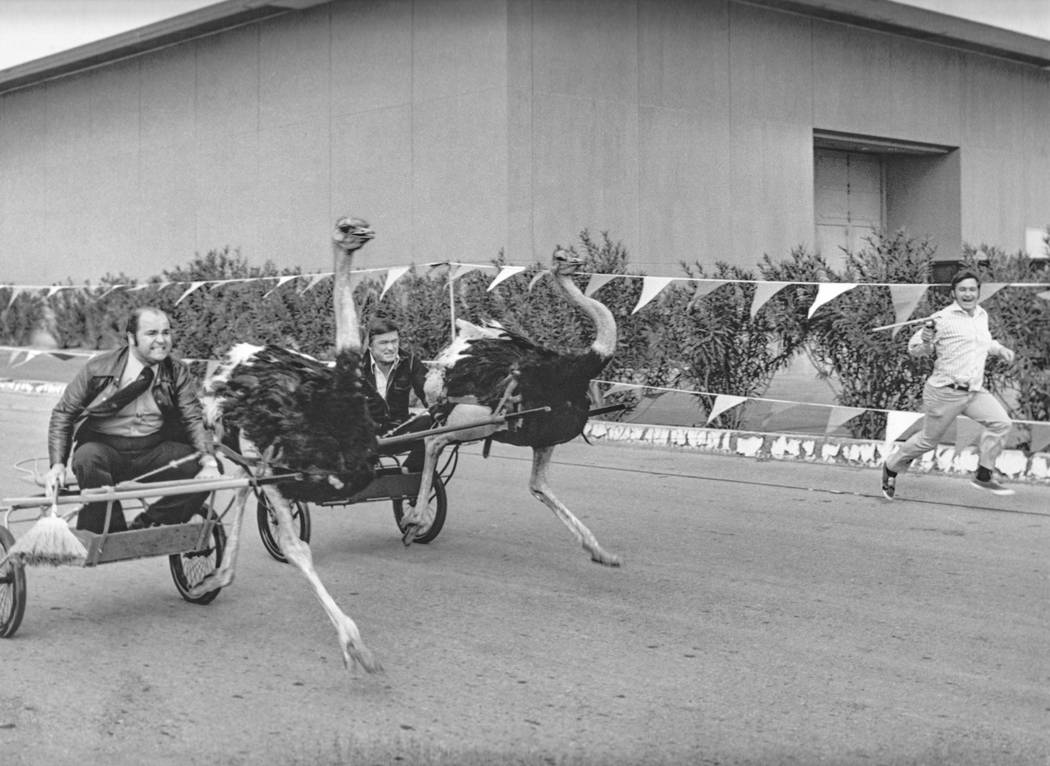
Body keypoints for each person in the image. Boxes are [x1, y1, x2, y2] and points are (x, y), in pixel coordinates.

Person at [45, 306, 221, 533]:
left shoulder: (177, 372)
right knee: (86, 458)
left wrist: (208, 461)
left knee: (209, 470)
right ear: (131, 338)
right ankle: (110, 530)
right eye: (151, 333)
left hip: (154, 450)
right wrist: (57, 465)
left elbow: (192, 417)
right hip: (106, 450)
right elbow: (64, 413)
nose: (161, 340)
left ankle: (152, 520)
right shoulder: (98, 368)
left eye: (166, 332)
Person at [881, 269, 1016, 500]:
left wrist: (999, 349)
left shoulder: (981, 315)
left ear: (978, 292)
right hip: (945, 392)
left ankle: (984, 475)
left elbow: (981, 341)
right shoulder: (941, 319)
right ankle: (891, 466)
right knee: (927, 441)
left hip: (973, 391)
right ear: (954, 292)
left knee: (1001, 423)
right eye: (962, 289)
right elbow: (915, 350)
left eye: (972, 289)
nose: (968, 294)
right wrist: (926, 335)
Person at [360, 317, 430, 472]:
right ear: (370, 346)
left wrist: (441, 408)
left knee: (433, 422)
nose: (391, 348)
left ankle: (407, 473)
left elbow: (428, 392)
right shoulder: (355, 368)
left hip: (400, 432)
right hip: (366, 439)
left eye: (394, 341)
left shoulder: (410, 362)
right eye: (383, 343)